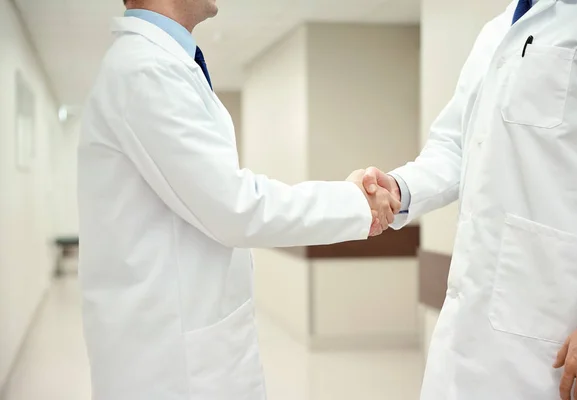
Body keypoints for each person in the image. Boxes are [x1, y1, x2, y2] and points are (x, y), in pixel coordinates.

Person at [77, 0, 400, 399]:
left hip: (178, 344)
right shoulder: (145, 70)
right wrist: (354, 202)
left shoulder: (160, 65)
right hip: (170, 366)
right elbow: (234, 207)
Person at [362, 0, 577, 399]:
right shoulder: (494, 31)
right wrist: (399, 188)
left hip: (558, 327)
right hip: (470, 319)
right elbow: (455, 145)